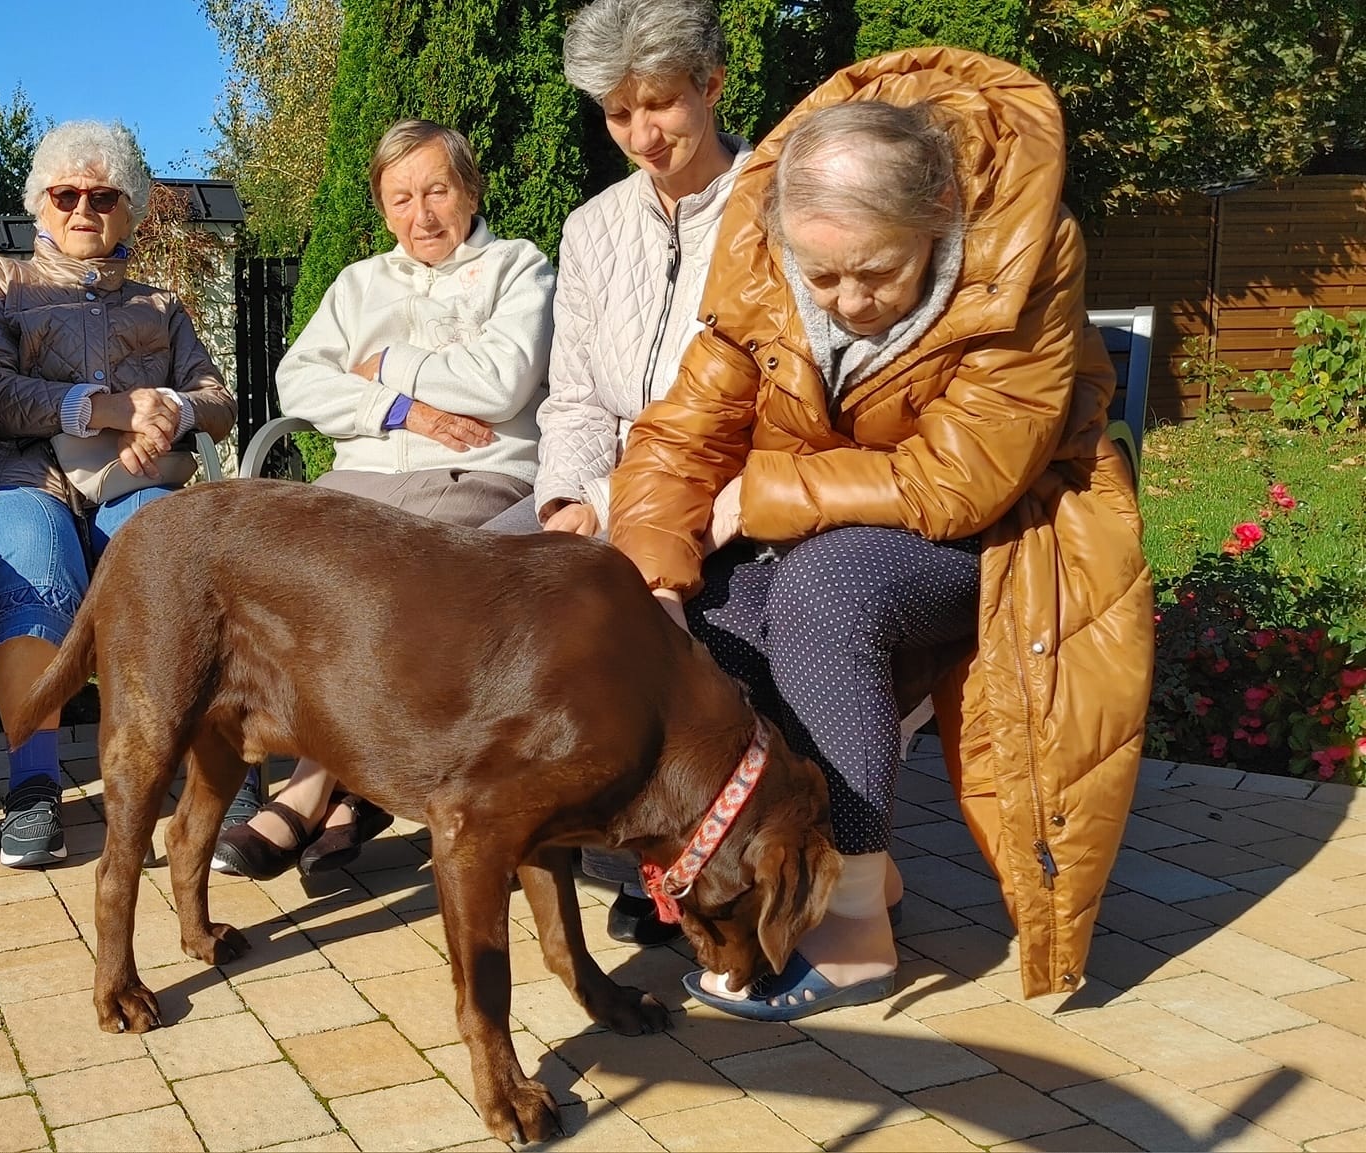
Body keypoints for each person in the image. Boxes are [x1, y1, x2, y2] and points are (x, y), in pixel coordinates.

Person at [609, 47, 1153, 1020]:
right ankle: (800, 863)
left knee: (827, 597)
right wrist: (652, 577)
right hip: (827, 518)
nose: (848, 302)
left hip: (1003, 533)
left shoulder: (1028, 254)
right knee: (718, 615)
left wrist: (763, 491)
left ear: (938, 213)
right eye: (820, 277)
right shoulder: (763, 268)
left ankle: (856, 931)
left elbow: (963, 480)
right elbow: (677, 439)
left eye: (876, 272)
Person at [212, 119, 554, 882]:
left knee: (384, 591)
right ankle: (355, 787)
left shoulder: (515, 268)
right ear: (381, 206)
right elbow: (299, 381)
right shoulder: (360, 283)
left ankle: (309, 788)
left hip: (475, 477)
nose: (421, 215)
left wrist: (386, 362)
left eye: (436, 190)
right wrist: (399, 410)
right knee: (285, 579)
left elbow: (501, 380)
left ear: (469, 189)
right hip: (359, 477)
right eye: (401, 198)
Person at [488, 0, 752, 947]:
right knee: (480, 580)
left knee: (655, 625)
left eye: (661, 105)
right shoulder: (593, 226)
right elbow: (573, 398)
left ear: (713, 86)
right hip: (602, 481)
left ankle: (676, 849)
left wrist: (607, 504)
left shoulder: (774, 202)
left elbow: (767, 399)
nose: (642, 134)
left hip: (725, 483)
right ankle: (567, 831)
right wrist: (565, 497)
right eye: (617, 112)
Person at [0, 119, 235, 869]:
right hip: (23, 470)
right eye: (66, 193)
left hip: (130, 478)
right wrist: (108, 408)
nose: (83, 207)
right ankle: (32, 786)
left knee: (160, 576)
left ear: (132, 208)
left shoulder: (161, 303)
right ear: (39, 205)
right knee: (37, 566)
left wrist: (167, 413)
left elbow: (215, 397)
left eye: (103, 195)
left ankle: (147, 783)